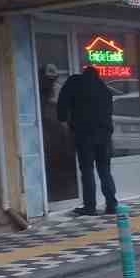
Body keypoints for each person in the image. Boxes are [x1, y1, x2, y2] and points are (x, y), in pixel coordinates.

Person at [56, 65, 117, 216]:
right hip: (103, 135)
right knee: (104, 169)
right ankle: (111, 204)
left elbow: (62, 103)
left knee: (87, 170)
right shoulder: (104, 89)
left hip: (84, 135)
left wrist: (63, 121)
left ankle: (90, 207)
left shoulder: (74, 83)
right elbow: (109, 112)